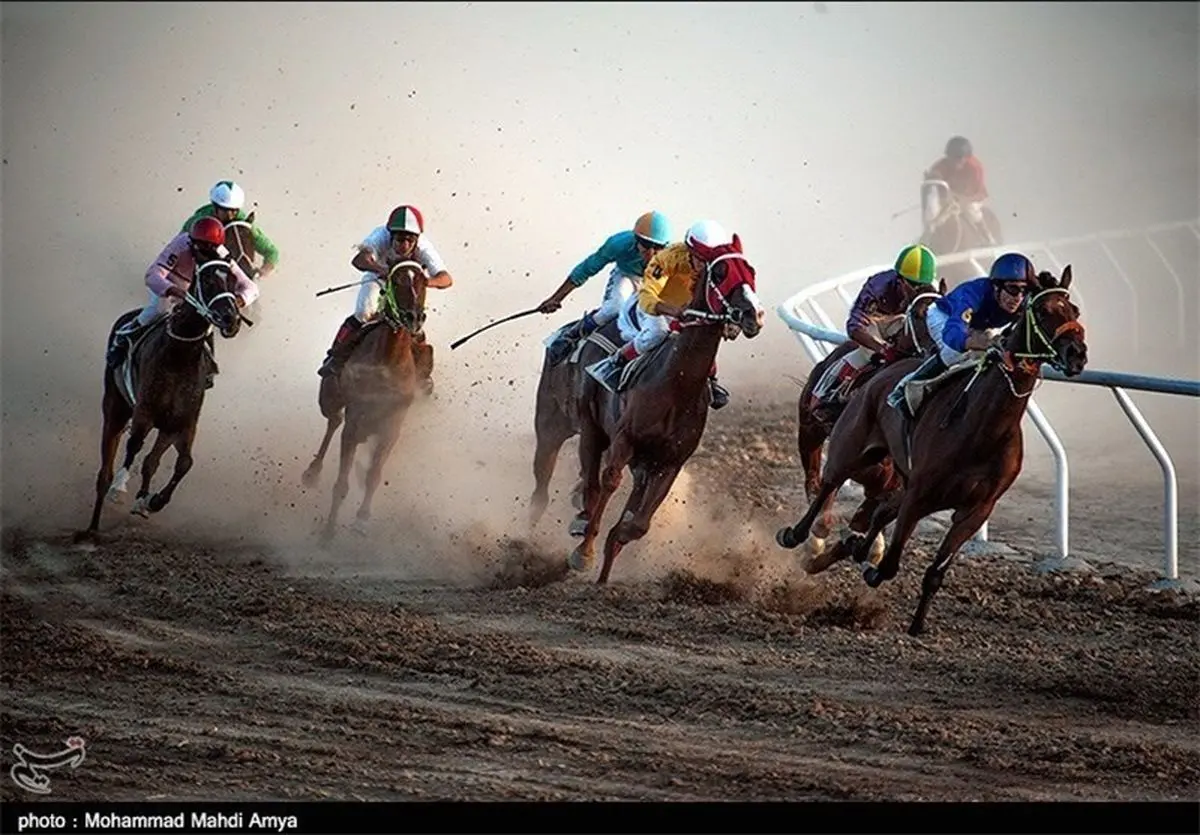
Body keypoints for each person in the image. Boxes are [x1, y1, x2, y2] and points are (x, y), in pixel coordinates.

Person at [586, 219, 734, 409]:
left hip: (686, 309)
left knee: (703, 334)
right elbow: (648, 297)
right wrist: (671, 310)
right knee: (659, 332)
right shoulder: (668, 258)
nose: (705, 265)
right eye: (700, 259)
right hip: (654, 306)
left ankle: (711, 381)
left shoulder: (721, 266)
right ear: (689, 251)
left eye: (710, 261)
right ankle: (616, 362)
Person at [106, 217, 259, 388]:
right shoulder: (180, 244)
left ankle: (208, 366)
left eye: (211, 248)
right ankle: (124, 338)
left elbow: (250, 287)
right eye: (201, 246)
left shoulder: (221, 253)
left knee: (207, 321)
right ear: (192, 241)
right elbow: (152, 275)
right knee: (158, 310)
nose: (206, 252)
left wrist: (239, 301)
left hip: (195, 293)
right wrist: (171, 289)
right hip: (168, 287)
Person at [316, 205, 454, 391]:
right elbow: (359, 260)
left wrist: (426, 281)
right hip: (379, 277)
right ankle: (336, 358)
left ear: (417, 239)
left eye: (409, 240)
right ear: (391, 235)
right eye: (399, 239)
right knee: (364, 312)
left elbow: (446, 279)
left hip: (408, 285)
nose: (403, 245)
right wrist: (384, 271)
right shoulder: (379, 236)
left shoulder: (425, 248)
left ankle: (423, 375)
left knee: (414, 321)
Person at [886, 252, 1035, 420]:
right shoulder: (972, 294)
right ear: (996, 286)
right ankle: (906, 388)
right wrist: (978, 342)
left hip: (978, 325)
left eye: (1024, 290)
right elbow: (954, 333)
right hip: (944, 316)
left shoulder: (1023, 301)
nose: (1018, 298)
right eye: (1013, 289)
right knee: (955, 352)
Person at [810, 244, 940, 413]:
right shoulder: (879, 286)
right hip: (875, 324)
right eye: (913, 286)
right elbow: (854, 326)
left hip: (905, 325)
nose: (917, 291)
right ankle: (823, 395)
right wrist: (882, 348)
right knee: (868, 351)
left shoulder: (931, 291)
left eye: (921, 286)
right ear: (900, 280)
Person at [539, 211, 672, 366]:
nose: (650, 254)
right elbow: (587, 268)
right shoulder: (618, 244)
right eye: (646, 246)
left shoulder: (673, 256)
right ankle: (572, 335)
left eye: (658, 248)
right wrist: (556, 298)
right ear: (635, 239)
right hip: (627, 276)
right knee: (613, 308)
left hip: (655, 286)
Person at [181, 180, 281, 280]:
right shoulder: (198, 221)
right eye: (224, 210)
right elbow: (180, 245)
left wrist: (264, 270)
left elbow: (272, 252)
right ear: (215, 207)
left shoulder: (242, 222)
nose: (230, 216)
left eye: (234, 211)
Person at [924, 136, 989, 227]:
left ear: (967, 157)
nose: (955, 161)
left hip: (972, 197)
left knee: (971, 212)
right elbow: (933, 179)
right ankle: (928, 235)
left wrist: (958, 198)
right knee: (932, 212)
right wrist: (932, 178)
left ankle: (987, 237)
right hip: (949, 199)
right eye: (951, 157)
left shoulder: (975, 168)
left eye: (959, 158)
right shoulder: (941, 165)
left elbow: (974, 191)